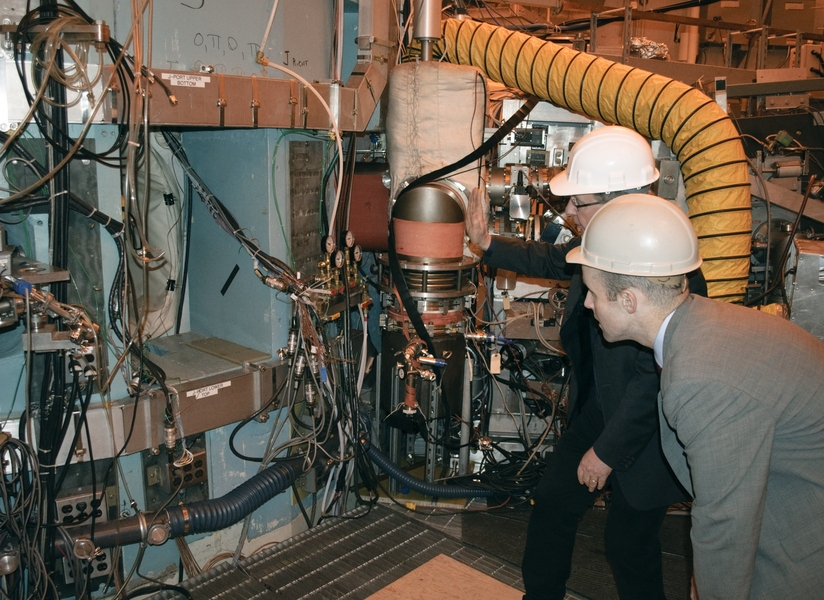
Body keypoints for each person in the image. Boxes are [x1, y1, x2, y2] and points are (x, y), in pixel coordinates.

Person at [465, 126, 705, 600]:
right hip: (599, 408)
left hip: (651, 426)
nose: (569, 212)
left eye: (580, 201)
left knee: (628, 543)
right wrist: (488, 243)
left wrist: (607, 452)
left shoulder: (667, 266)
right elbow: (556, 261)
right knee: (553, 505)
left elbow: (654, 383)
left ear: (621, 200)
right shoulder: (605, 244)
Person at [566, 194, 824, 600]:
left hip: (802, 529)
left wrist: (711, 585)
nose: (587, 303)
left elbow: (726, 522)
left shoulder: (699, 378)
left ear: (629, 301)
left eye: (594, 293)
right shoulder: (700, 322)